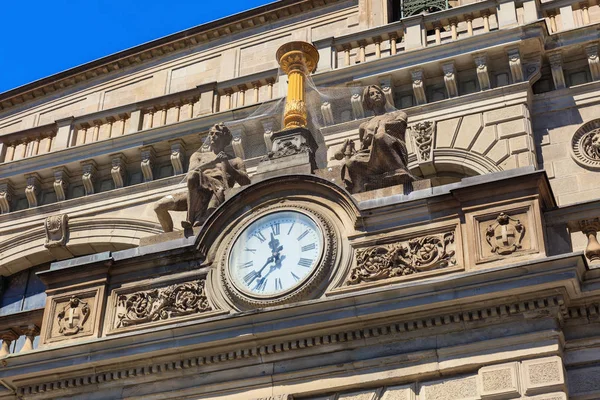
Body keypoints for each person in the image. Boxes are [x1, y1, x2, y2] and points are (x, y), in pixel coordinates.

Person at [153, 123, 250, 232]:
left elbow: (246, 183)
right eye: (211, 133)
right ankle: (169, 238)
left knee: (194, 177)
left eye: (217, 134)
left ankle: (190, 219)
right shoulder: (198, 156)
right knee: (159, 206)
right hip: (195, 193)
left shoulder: (235, 161)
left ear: (225, 138)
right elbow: (191, 172)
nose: (212, 136)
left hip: (218, 191)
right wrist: (212, 162)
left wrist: (228, 166)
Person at [336, 85, 413, 193]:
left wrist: (383, 127)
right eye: (371, 94)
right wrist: (351, 150)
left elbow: (400, 125)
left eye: (378, 93)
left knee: (380, 137)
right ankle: (365, 183)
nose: (376, 95)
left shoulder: (398, 114)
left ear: (383, 96)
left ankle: (397, 169)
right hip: (372, 154)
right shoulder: (364, 125)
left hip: (393, 148)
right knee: (351, 162)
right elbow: (364, 147)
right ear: (368, 101)